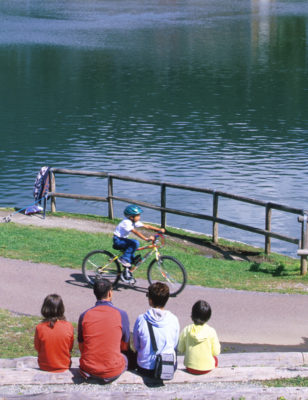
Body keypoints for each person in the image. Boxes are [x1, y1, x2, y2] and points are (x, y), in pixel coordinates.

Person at [78, 278, 130, 383]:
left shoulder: (84, 315)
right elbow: (125, 345)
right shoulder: (121, 314)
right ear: (110, 293)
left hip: (88, 369)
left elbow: (82, 346)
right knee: (126, 357)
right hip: (112, 371)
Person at [133, 282, 179, 377]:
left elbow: (136, 345)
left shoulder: (141, 319)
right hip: (167, 367)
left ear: (150, 300)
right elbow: (174, 344)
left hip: (145, 368)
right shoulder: (173, 320)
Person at [113, 204, 165, 275]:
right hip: (118, 240)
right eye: (138, 215)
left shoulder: (133, 222)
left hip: (123, 240)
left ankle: (126, 274)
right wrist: (146, 238)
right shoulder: (126, 222)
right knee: (135, 243)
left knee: (133, 259)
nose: (139, 217)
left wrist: (159, 229)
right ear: (131, 217)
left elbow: (147, 226)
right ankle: (124, 259)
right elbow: (135, 232)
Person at [178, 300, 220, 375]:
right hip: (207, 368)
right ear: (208, 317)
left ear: (192, 315)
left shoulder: (187, 329)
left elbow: (180, 349)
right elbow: (216, 352)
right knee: (215, 359)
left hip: (190, 367)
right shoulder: (211, 331)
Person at [34, 294, 74, 372]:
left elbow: (37, 348)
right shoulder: (69, 326)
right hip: (64, 365)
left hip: (44, 366)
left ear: (44, 309)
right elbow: (70, 347)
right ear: (61, 308)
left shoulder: (40, 327)